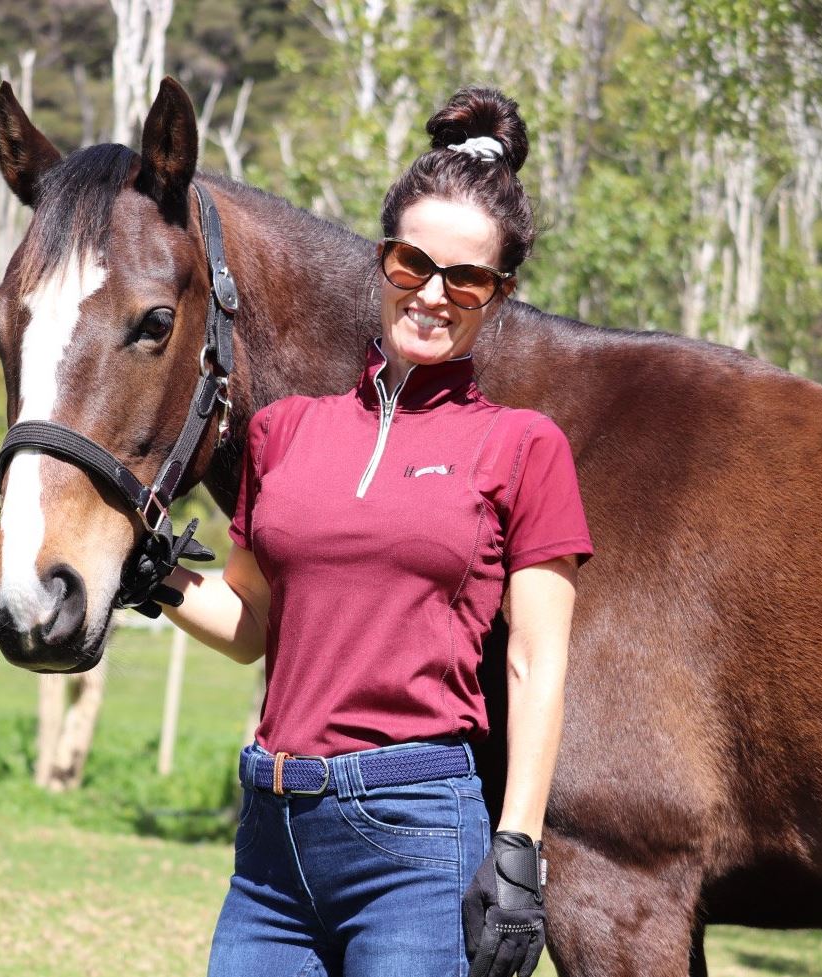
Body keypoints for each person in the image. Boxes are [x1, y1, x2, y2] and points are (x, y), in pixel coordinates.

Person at [157, 86, 593, 977]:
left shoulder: (521, 446)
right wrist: (153, 579)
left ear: (498, 295)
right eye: (411, 262)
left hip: (418, 838)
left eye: (466, 278)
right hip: (272, 843)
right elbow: (251, 628)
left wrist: (519, 846)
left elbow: (535, 664)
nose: (433, 293)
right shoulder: (284, 432)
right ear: (382, 258)